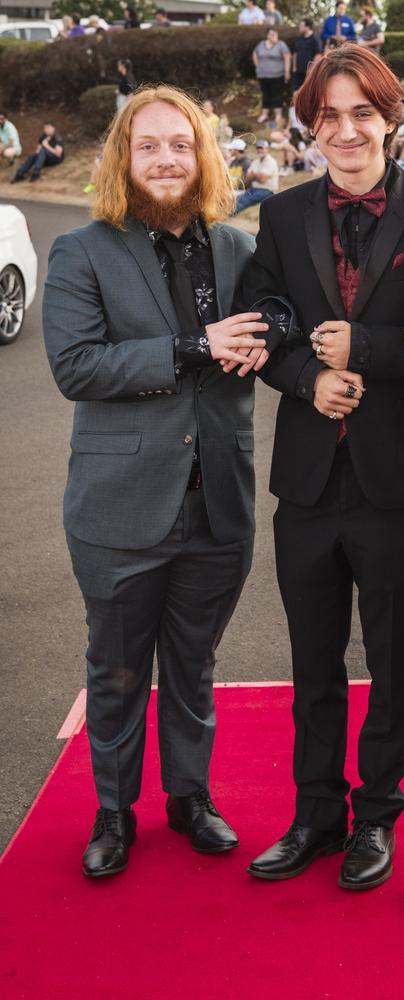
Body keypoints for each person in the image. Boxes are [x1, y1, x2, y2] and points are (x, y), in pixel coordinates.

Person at [238, 44, 404, 891]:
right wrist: (309, 377)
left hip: (397, 476)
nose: (345, 129)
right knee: (312, 659)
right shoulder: (282, 214)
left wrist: (365, 350)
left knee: (394, 656)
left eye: (361, 112)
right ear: (310, 125)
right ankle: (315, 816)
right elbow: (262, 325)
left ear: (390, 116)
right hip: (305, 477)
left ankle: (377, 817)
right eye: (327, 115)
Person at [41, 85, 281, 879]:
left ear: (202, 154)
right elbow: (77, 367)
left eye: (180, 144)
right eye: (149, 146)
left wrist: (264, 343)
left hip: (220, 501)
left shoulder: (239, 249)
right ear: (124, 158)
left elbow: (277, 325)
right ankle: (114, 810)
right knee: (114, 667)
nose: (166, 158)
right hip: (118, 508)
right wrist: (195, 347)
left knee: (194, 663)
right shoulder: (82, 252)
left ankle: (189, 797)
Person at [253, 27, 291, 125]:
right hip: (263, 75)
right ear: (267, 35)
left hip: (277, 75)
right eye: (271, 34)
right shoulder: (261, 44)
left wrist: (287, 72)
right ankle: (264, 114)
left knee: (277, 95)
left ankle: (278, 115)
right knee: (265, 95)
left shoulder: (281, 45)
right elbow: (255, 54)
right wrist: (258, 66)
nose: (273, 36)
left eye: (275, 34)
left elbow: (287, 57)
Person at [234, 138, 279, 212]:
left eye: (261, 148)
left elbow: (262, 179)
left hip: (267, 190)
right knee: (238, 198)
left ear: (267, 149)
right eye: (258, 148)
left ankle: (228, 213)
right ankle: (223, 212)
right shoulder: (255, 161)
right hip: (254, 188)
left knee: (245, 199)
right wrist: (255, 176)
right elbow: (247, 178)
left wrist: (252, 176)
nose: (259, 150)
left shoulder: (271, 161)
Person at [293, 18, 322, 91]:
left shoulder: (315, 39)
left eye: (301, 25)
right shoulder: (299, 39)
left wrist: (311, 69)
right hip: (298, 72)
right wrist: (294, 67)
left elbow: (318, 55)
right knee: (296, 91)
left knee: (307, 92)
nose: (299, 27)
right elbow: (295, 53)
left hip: (309, 73)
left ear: (307, 27)